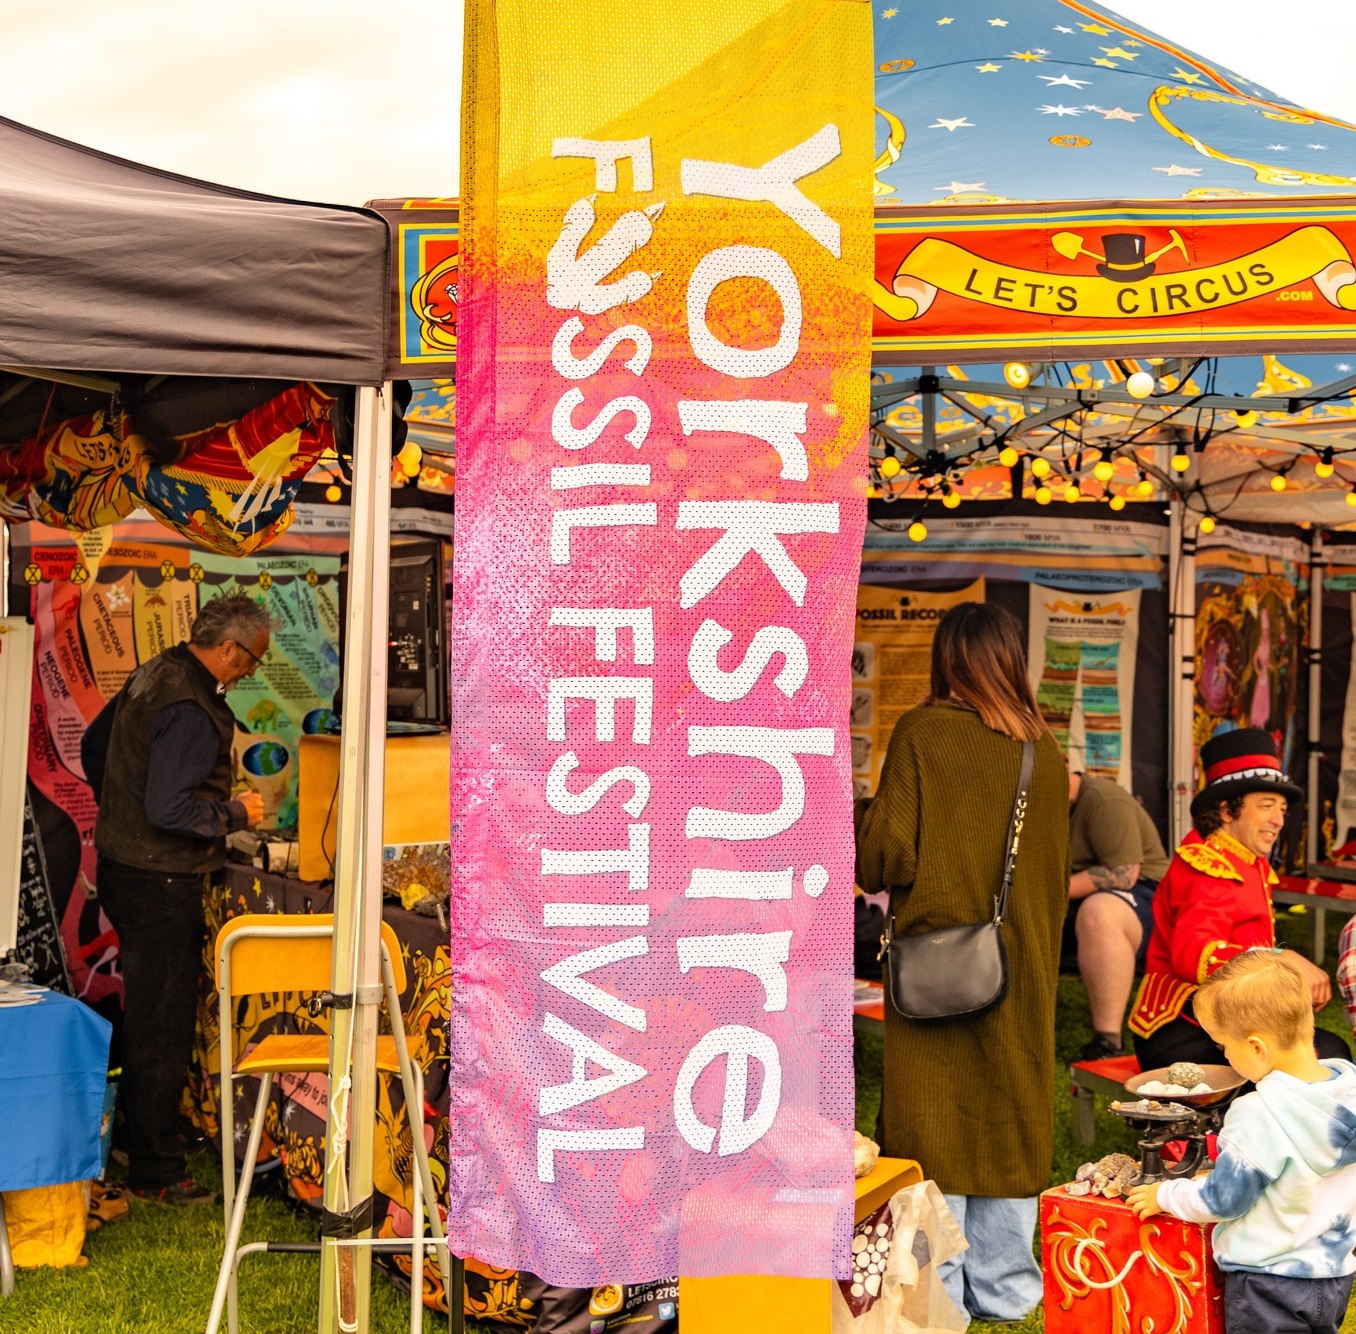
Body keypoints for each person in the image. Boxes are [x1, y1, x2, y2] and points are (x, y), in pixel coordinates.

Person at [856, 602, 1068, 1325]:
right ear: (1012, 659)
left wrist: (859, 813)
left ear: (946, 659)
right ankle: (1008, 1289)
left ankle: (938, 1292)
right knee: (1011, 1109)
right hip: (1026, 959)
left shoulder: (922, 732)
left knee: (931, 1116)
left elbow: (886, 855)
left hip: (937, 957)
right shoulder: (1046, 748)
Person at [85, 593, 270, 1204]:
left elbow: (94, 744)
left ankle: (143, 1137)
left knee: (150, 1017)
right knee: (161, 1027)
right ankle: (156, 1172)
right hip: (160, 880)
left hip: (124, 865)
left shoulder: (157, 670)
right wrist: (234, 812)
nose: (250, 674)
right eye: (251, 663)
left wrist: (124, 803)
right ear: (227, 649)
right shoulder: (191, 707)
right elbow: (168, 808)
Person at [1127, 952, 1356, 1334]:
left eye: (1223, 1046)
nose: (1225, 1055)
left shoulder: (1258, 1113)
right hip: (1332, 1273)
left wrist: (1165, 1196)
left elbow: (1224, 1200)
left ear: (1256, 1047)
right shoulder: (1347, 1089)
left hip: (1267, 1280)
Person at [1129, 727, 1348, 1070]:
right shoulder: (1208, 863)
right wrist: (1281, 960)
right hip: (1179, 1028)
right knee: (1325, 1057)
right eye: (1266, 806)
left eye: (1281, 808)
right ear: (1227, 811)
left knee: (1326, 1053)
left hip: (1228, 1017)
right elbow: (1195, 956)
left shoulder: (1246, 859)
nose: (1278, 820)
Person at [1066, 770, 1171, 1060]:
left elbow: (1123, 874)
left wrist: (1045, 892)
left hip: (1146, 892)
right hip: (1076, 894)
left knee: (1099, 913)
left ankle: (1107, 1042)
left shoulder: (1103, 799)